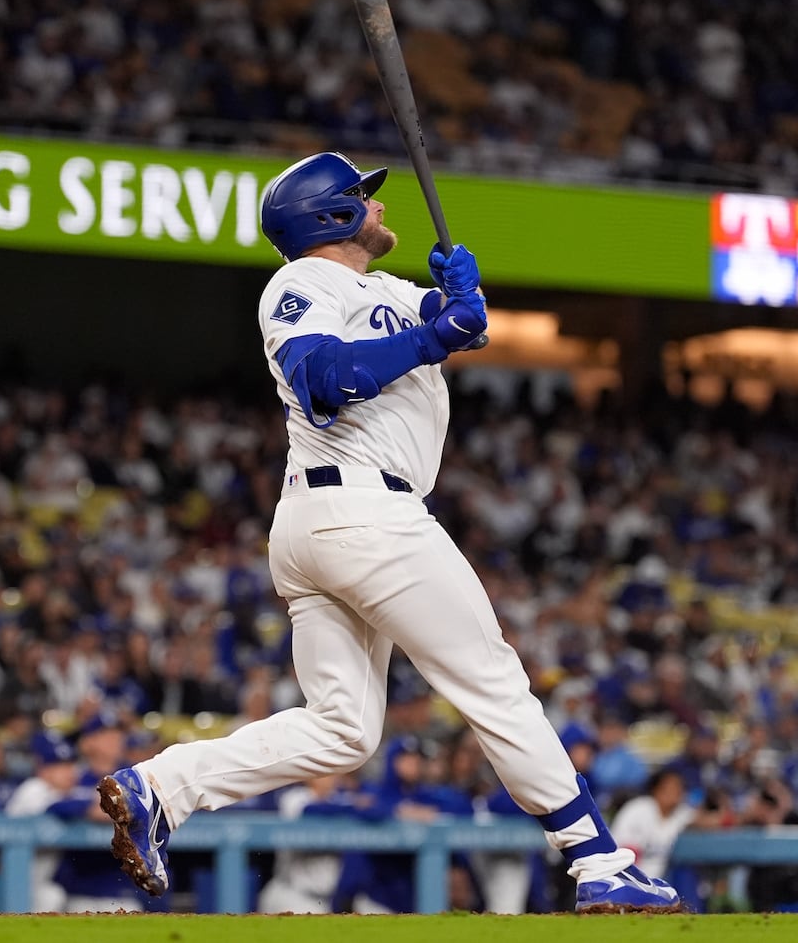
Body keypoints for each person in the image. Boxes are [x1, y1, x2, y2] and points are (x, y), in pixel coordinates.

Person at [96, 150, 680, 914]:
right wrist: (437, 337)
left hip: (331, 522)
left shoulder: (384, 289)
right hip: (363, 513)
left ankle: (162, 787)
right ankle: (597, 858)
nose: (379, 206)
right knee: (493, 679)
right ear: (332, 215)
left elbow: (452, 329)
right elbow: (323, 379)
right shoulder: (301, 283)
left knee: (343, 731)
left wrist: (463, 304)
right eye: (364, 199)